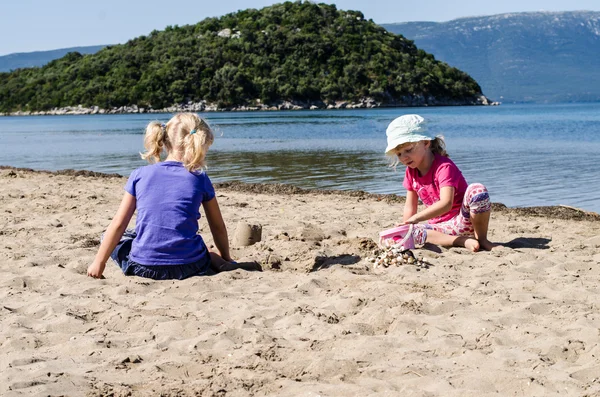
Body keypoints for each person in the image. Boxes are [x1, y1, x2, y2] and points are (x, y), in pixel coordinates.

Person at [87, 113, 255, 279]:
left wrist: (98, 263)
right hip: (191, 266)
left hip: (143, 268)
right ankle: (216, 258)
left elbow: (118, 224)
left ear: (164, 141)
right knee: (196, 244)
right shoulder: (200, 178)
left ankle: (209, 255)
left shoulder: (139, 175)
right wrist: (226, 256)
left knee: (115, 236)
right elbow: (217, 226)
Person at [385, 114, 495, 252]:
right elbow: (409, 207)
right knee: (411, 231)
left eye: (408, 150)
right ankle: (460, 241)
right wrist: (406, 226)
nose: (404, 157)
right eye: (399, 154)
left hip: (462, 221)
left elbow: (446, 203)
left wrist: (416, 218)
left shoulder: (444, 167)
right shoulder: (410, 172)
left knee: (477, 190)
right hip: (439, 230)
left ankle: (482, 239)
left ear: (426, 143)